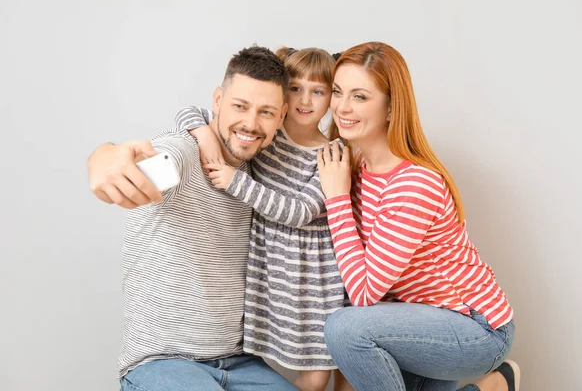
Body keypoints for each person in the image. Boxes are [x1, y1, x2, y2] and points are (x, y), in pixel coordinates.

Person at [87, 46, 301, 391]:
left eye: (266, 112)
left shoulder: (260, 175)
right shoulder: (185, 154)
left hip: (242, 363)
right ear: (218, 100)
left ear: (282, 115)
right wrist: (104, 157)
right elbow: (145, 163)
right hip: (163, 362)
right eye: (240, 106)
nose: (251, 123)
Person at [316, 41, 520, 391]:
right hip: (417, 320)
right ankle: (498, 386)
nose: (342, 107)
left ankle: (496, 377)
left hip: (474, 327)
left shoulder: (412, 183)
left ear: (392, 108)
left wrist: (336, 198)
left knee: (343, 328)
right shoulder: (359, 165)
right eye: (338, 92)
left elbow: (365, 294)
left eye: (360, 96)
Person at [175, 47, 348, 391]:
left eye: (318, 92)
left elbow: (301, 212)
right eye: (297, 88)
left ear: (332, 97)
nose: (305, 100)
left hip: (313, 276)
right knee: (264, 357)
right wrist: (205, 134)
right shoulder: (267, 131)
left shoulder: (332, 152)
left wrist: (237, 182)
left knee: (315, 370)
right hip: (271, 268)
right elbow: (189, 112)